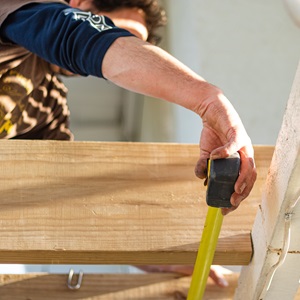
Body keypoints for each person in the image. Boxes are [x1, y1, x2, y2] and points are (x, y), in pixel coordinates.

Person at [0, 0, 256, 287]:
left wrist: (155, 256)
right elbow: (76, 34)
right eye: (117, 32)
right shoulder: (17, 9)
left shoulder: (47, 104)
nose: (124, 60)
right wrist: (208, 100)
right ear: (80, 4)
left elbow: (65, 202)